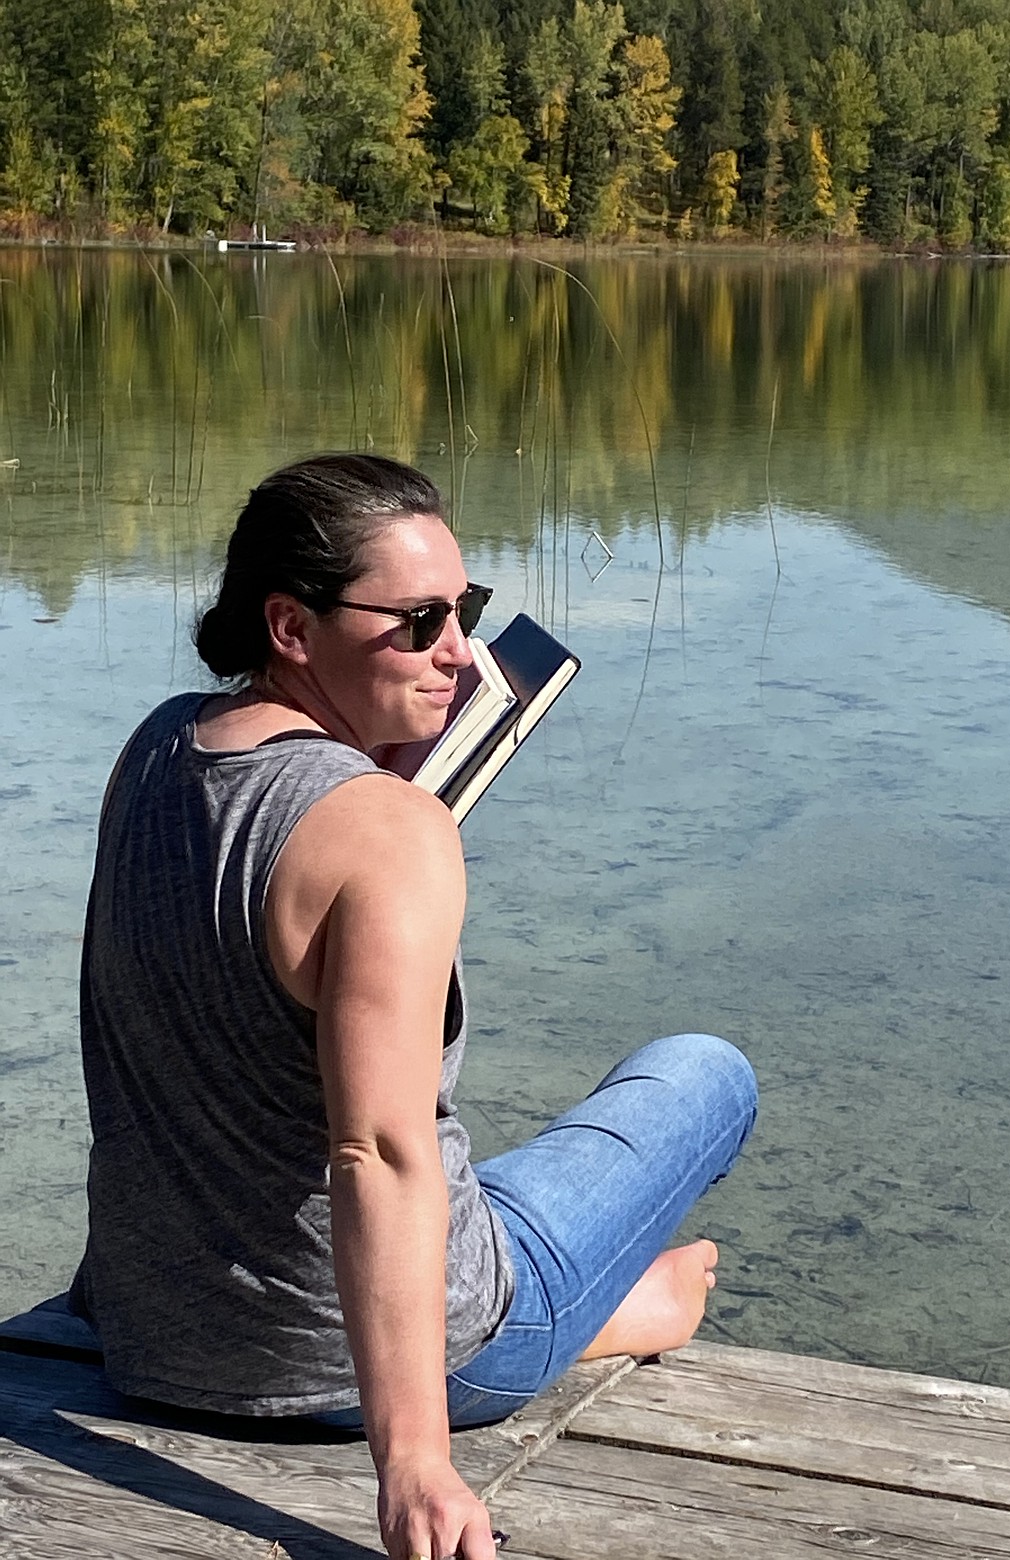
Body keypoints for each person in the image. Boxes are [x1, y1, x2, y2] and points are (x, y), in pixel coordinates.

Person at [70, 453, 757, 1560]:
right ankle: (594, 1319)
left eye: (468, 610)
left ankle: (579, 1308)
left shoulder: (154, 748)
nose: (465, 653)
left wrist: (377, 782)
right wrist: (418, 1469)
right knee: (702, 1073)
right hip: (374, 1366)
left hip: (146, 1342)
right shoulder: (387, 833)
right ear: (293, 628)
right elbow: (378, 1156)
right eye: (421, 620)